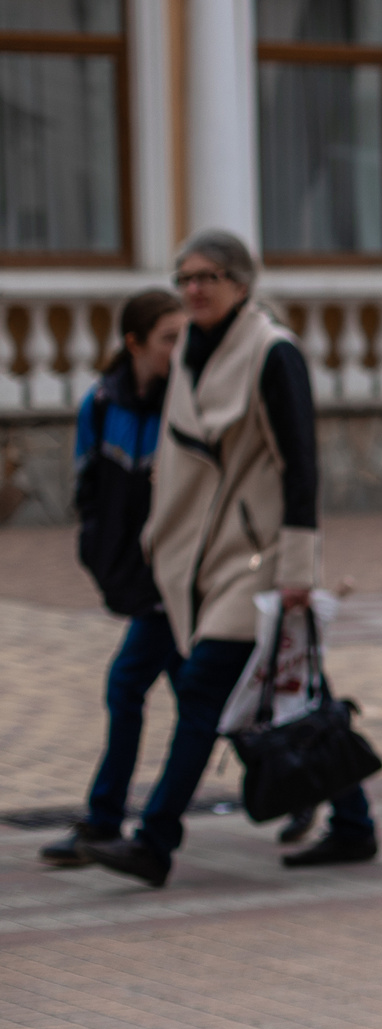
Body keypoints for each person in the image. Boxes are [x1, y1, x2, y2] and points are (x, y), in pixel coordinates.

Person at [84, 232, 378, 887]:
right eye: (185, 277)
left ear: (241, 282)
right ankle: (355, 822)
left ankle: (155, 840)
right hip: (201, 554)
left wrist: (298, 568)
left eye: (208, 277)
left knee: (202, 692)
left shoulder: (273, 353)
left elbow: (301, 466)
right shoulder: (190, 348)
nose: (194, 289)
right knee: (299, 693)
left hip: (258, 558)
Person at [42, 290, 186, 867]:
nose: (181, 350)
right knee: (210, 702)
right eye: (169, 339)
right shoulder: (102, 405)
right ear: (134, 344)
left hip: (177, 580)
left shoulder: (189, 404)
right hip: (138, 577)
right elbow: (88, 490)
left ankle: (105, 820)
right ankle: (319, 791)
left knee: (132, 687)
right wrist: (98, 554)